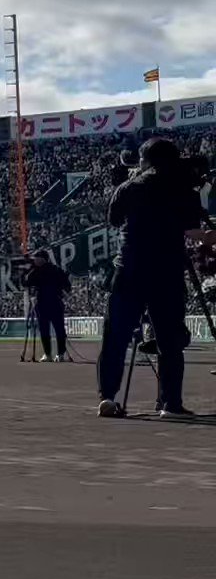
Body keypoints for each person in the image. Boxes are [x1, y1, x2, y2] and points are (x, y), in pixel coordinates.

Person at [95, 138, 209, 419]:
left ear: (144, 160)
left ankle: (108, 397)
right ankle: (170, 403)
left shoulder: (129, 187)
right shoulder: (183, 187)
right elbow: (194, 232)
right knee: (169, 339)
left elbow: (113, 219)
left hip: (130, 268)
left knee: (116, 337)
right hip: (167, 271)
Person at [23, 250, 72, 363]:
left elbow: (26, 283)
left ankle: (51, 354)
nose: (34, 260)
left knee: (49, 329)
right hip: (51, 303)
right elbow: (67, 286)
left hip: (46, 304)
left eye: (36, 258)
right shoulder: (54, 270)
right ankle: (57, 354)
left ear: (43, 259)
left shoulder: (39, 271)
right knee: (55, 329)